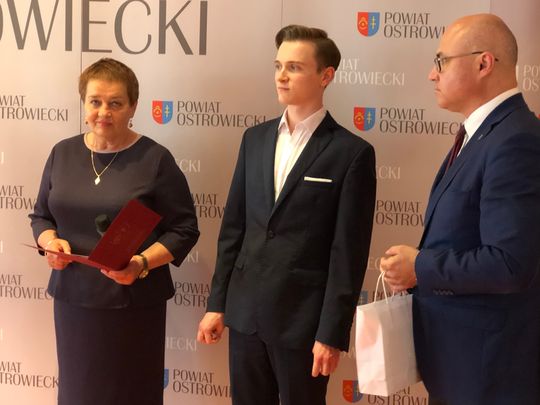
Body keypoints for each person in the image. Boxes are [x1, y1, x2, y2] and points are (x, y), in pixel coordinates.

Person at [197, 24, 376, 405]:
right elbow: (233, 230)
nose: (281, 75)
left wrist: (331, 333)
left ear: (325, 75)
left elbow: (348, 253)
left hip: (303, 324)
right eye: (278, 66)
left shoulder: (351, 153)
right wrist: (217, 304)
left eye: (294, 67)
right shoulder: (254, 139)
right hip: (245, 317)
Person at [380, 14, 540, 405]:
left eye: (441, 61)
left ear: (484, 63)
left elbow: (509, 264)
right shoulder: (484, 134)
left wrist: (420, 266)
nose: (431, 74)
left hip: (488, 374)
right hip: (460, 364)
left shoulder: (515, 141)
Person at [29, 58, 199, 405]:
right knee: (79, 393)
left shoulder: (155, 159)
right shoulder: (62, 153)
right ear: (84, 104)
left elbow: (184, 229)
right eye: (95, 101)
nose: (103, 112)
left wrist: (141, 263)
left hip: (132, 304)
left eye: (115, 103)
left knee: (129, 393)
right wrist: (50, 243)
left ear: (133, 106)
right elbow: (41, 217)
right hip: (73, 301)